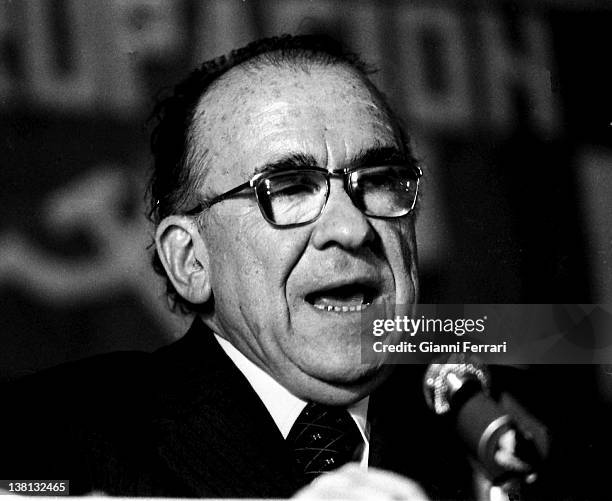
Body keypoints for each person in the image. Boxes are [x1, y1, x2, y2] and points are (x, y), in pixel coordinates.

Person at [1, 34, 602, 500]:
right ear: (190, 260)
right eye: (287, 187)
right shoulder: (47, 438)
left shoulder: (541, 435)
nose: (351, 227)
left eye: (381, 180)